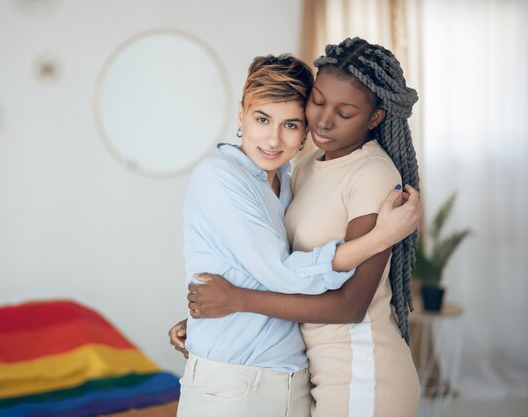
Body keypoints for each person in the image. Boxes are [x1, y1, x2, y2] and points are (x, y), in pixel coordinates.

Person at [173, 38, 422, 417]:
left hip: (359, 372)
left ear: (374, 117)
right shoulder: (299, 171)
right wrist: (211, 320)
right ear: (241, 115)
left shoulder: (370, 173)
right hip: (311, 373)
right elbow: (273, 268)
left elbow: (350, 304)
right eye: (319, 102)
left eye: (345, 111)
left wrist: (237, 301)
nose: (323, 120)